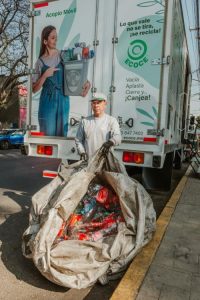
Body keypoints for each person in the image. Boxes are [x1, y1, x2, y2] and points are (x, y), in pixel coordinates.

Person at [32, 25, 90, 137]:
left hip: (63, 99)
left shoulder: (63, 55)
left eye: (56, 38)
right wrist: (44, 75)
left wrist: (86, 82)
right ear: (45, 41)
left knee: (61, 136)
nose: (56, 40)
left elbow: (76, 70)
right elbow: (34, 89)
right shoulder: (39, 62)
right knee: (48, 135)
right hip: (47, 101)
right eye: (53, 38)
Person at [75, 93, 121, 161]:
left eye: (99, 102)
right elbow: (78, 140)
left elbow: (118, 137)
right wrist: (82, 152)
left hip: (105, 162)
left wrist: (110, 142)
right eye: (94, 103)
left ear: (105, 104)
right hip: (88, 162)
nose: (96, 105)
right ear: (91, 105)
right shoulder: (85, 121)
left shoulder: (111, 121)